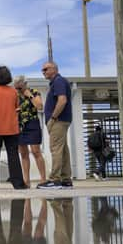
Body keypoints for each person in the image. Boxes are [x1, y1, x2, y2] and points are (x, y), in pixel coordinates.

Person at [0, 66, 26, 189]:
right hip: (11, 128)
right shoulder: (14, 91)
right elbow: (16, 106)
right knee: (13, 154)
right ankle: (18, 183)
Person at [38, 62, 73, 190]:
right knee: (63, 149)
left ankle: (54, 180)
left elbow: (62, 100)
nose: (43, 72)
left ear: (54, 69)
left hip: (58, 121)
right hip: (62, 120)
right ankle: (66, 179)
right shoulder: (58, 82)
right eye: (42, 70)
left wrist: (53, 118)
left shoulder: (58, 81)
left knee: (56, 149)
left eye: (46, 69)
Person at [14, 75, 47, 187]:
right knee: (23, 153)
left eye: (20, 87)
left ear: (25, 84)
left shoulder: (34, 92)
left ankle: (43, 179)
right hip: (19, 125)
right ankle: (26, 180)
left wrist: (30, 96)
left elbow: (40, 106)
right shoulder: (15, 95)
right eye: (16, 87)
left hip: (32, 124)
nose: (18, 89)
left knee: (36, 151)